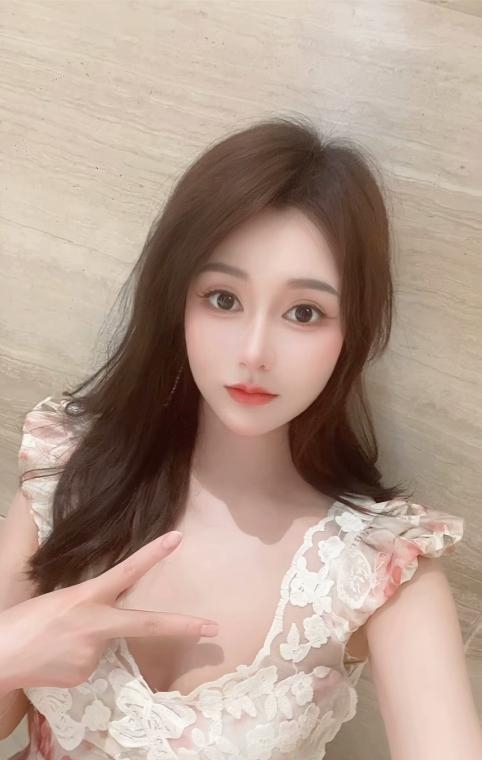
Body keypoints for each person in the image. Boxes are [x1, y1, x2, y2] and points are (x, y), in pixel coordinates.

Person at [1, 115, 480, 760]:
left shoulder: (378, 567)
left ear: (353, 332)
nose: (254, 352)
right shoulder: (70, 467)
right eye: (224, 299)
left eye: (304, 312)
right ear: (177, 301)